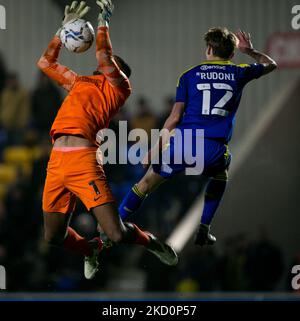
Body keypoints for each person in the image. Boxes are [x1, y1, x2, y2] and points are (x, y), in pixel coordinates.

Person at [37, 0, 177, 280]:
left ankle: (150, 241)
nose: (103, 65)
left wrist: (104, 21)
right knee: (53, 236)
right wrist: (61, 31)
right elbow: (45, 62)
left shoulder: (119, 88)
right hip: (57, 162)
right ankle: (90, 250)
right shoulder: (79, 82)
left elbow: (103, 55)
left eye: (111, 64)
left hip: (83, 161)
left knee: (115, 232)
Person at [119, 27, 277, 246]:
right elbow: (271, 64)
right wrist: (249, 51)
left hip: (184, 143)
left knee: (145, 183)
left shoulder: (189, 75)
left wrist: (154, 150)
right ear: (231, 54)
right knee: (221, 172)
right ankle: (204, 228)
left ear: (209, 49)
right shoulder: (239, 72)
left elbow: (174, 118)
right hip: (213, 148)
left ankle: (115, 224)